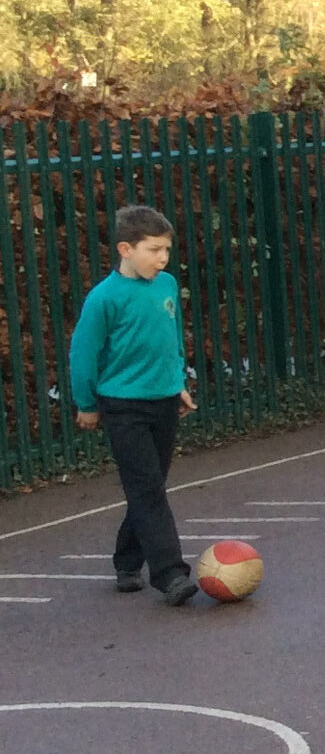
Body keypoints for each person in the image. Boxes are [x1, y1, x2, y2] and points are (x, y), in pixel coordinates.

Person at [69, 205, 198, 604]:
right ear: (126, 248)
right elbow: (83, 354)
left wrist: (178, 384)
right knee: (147, 489)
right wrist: (86, 403)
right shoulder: (104, 298)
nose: (162, 259)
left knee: (150, 487)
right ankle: (171, 575)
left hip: (163, 401)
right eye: (154, 250)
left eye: (166, 251)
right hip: (122, 405)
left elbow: (172, 339)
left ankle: (127, 562)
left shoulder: (167, 286)